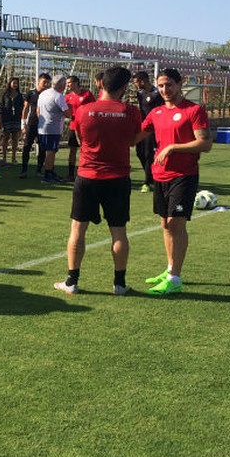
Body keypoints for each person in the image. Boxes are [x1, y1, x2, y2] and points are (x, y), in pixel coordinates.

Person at [55, 67, 142, 296]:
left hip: (87, 176)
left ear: (101, 84)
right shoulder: (131, 112)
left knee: (77, 229)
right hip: (118, 178)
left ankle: (71, 282)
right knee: (119, 232)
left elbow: (80, 138)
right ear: (124, 87)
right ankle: (120, 284)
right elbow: (132, 140)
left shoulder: (84, 110)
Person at [136, 68, 213, 295]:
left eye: (169, 85)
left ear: (179, 84)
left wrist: (172, 147)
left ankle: (175, 278)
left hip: (184, 175)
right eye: (161, 86)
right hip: (160, 175)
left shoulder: (194, 110)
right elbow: (135, 136)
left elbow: (205, 144)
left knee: (176, 224)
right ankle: (170, 268)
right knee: (165, 225)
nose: (164, 90)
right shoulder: (156, 112)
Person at [131, 70, 163, 192]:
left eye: (136, 82)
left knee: (149, 154)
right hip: (142, 127)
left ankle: (147, 182)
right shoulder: (140, 93)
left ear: (143, 81)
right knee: (139, 152)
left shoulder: (157, 94)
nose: (135, 85)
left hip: (153, 128)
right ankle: (152, 177)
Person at [37, 74, 71, 184]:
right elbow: (67, 113)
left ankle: (50, 171)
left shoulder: (43, 94)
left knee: (49, 151)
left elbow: (38, 111)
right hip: (53, 128)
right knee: (50, 151)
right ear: (61, 85)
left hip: (43, 127)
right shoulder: (59, 96)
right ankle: (47, 174)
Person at [63, 75, 96, 180]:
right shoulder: (67, 97)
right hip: (73, 127)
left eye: (69, 82)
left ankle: (88, 171)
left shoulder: (87, 94)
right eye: (67, 83)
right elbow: (65, 111)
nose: (67, 85)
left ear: (76, 83)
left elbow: (94, 108)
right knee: (72, 150)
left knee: (86, 149)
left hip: (86, 127)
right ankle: (71, 173)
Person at [19, 73, 49, 179]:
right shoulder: (31, 93)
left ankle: (39, 170)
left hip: (44, 125)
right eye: (44, 82)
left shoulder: (48, 94)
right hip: (31, 123)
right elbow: (26, 108)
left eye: (47, 83)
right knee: (27, 146)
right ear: (39, 81)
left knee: (42, 148)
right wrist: (23, 124)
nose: (46, 84)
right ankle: (24, 170)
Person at [0, 78, 23, 163]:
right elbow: (0, 107)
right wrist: (0, 120)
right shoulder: (4, 95)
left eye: (17, 83)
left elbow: (22, 108)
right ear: (10, 83)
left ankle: (13, 157)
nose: (15, 85)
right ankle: (4, 157)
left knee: (15, 138)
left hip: (16, 119)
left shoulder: (19, 95)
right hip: (6, 119)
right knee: (5, 137)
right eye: (14, 83)